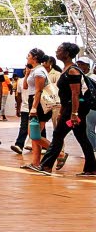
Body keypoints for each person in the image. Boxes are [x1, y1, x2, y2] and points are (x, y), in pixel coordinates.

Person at [32, 43, 95, 175]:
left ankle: (46, 166)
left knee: (58, 135)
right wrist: (62, 111)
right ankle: (91, 168)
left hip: (74, 110)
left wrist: (74, 114)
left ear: (66, 53)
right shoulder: (67, 69)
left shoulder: (72, 70)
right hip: (70, 109)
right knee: (81, 137)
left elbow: (75, 94)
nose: (56, 51)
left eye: (59, 50)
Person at [19, 48, 52, 167]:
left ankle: (59, 153)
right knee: (35, 135)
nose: (27, 57)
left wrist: (34, 108)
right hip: (34, 102)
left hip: (39, 104)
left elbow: (39, 91)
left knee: (33, 134)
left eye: (29, 55)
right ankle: (35, 162)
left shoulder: (39, 71)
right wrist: (27, 73)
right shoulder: (34, 70)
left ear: (35, 57)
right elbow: (25, 86)